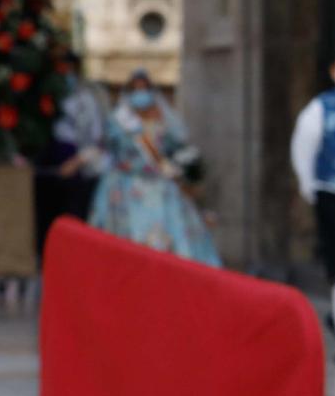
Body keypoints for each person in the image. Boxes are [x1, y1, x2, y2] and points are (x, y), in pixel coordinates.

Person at [88, 68, 220, 267]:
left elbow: (173, 151)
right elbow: (110, 148)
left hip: (161, 188)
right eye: (136, 88)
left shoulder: (163, 120)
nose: (141, 93)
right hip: (126, 186)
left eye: (144, 88)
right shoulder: (120, 121)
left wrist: (186, 173)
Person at [290, 45, 335, 364]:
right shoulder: (320, 108)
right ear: (334, 70)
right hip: (333, 192)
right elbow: (304, 148)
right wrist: (309, 186)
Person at [33, 50, 109, 258]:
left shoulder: (87, 99)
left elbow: (97, 139)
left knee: (73, 219)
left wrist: (76, 162)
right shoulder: (45, 96)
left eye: (67, 68)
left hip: (76, 166)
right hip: (50, 164)